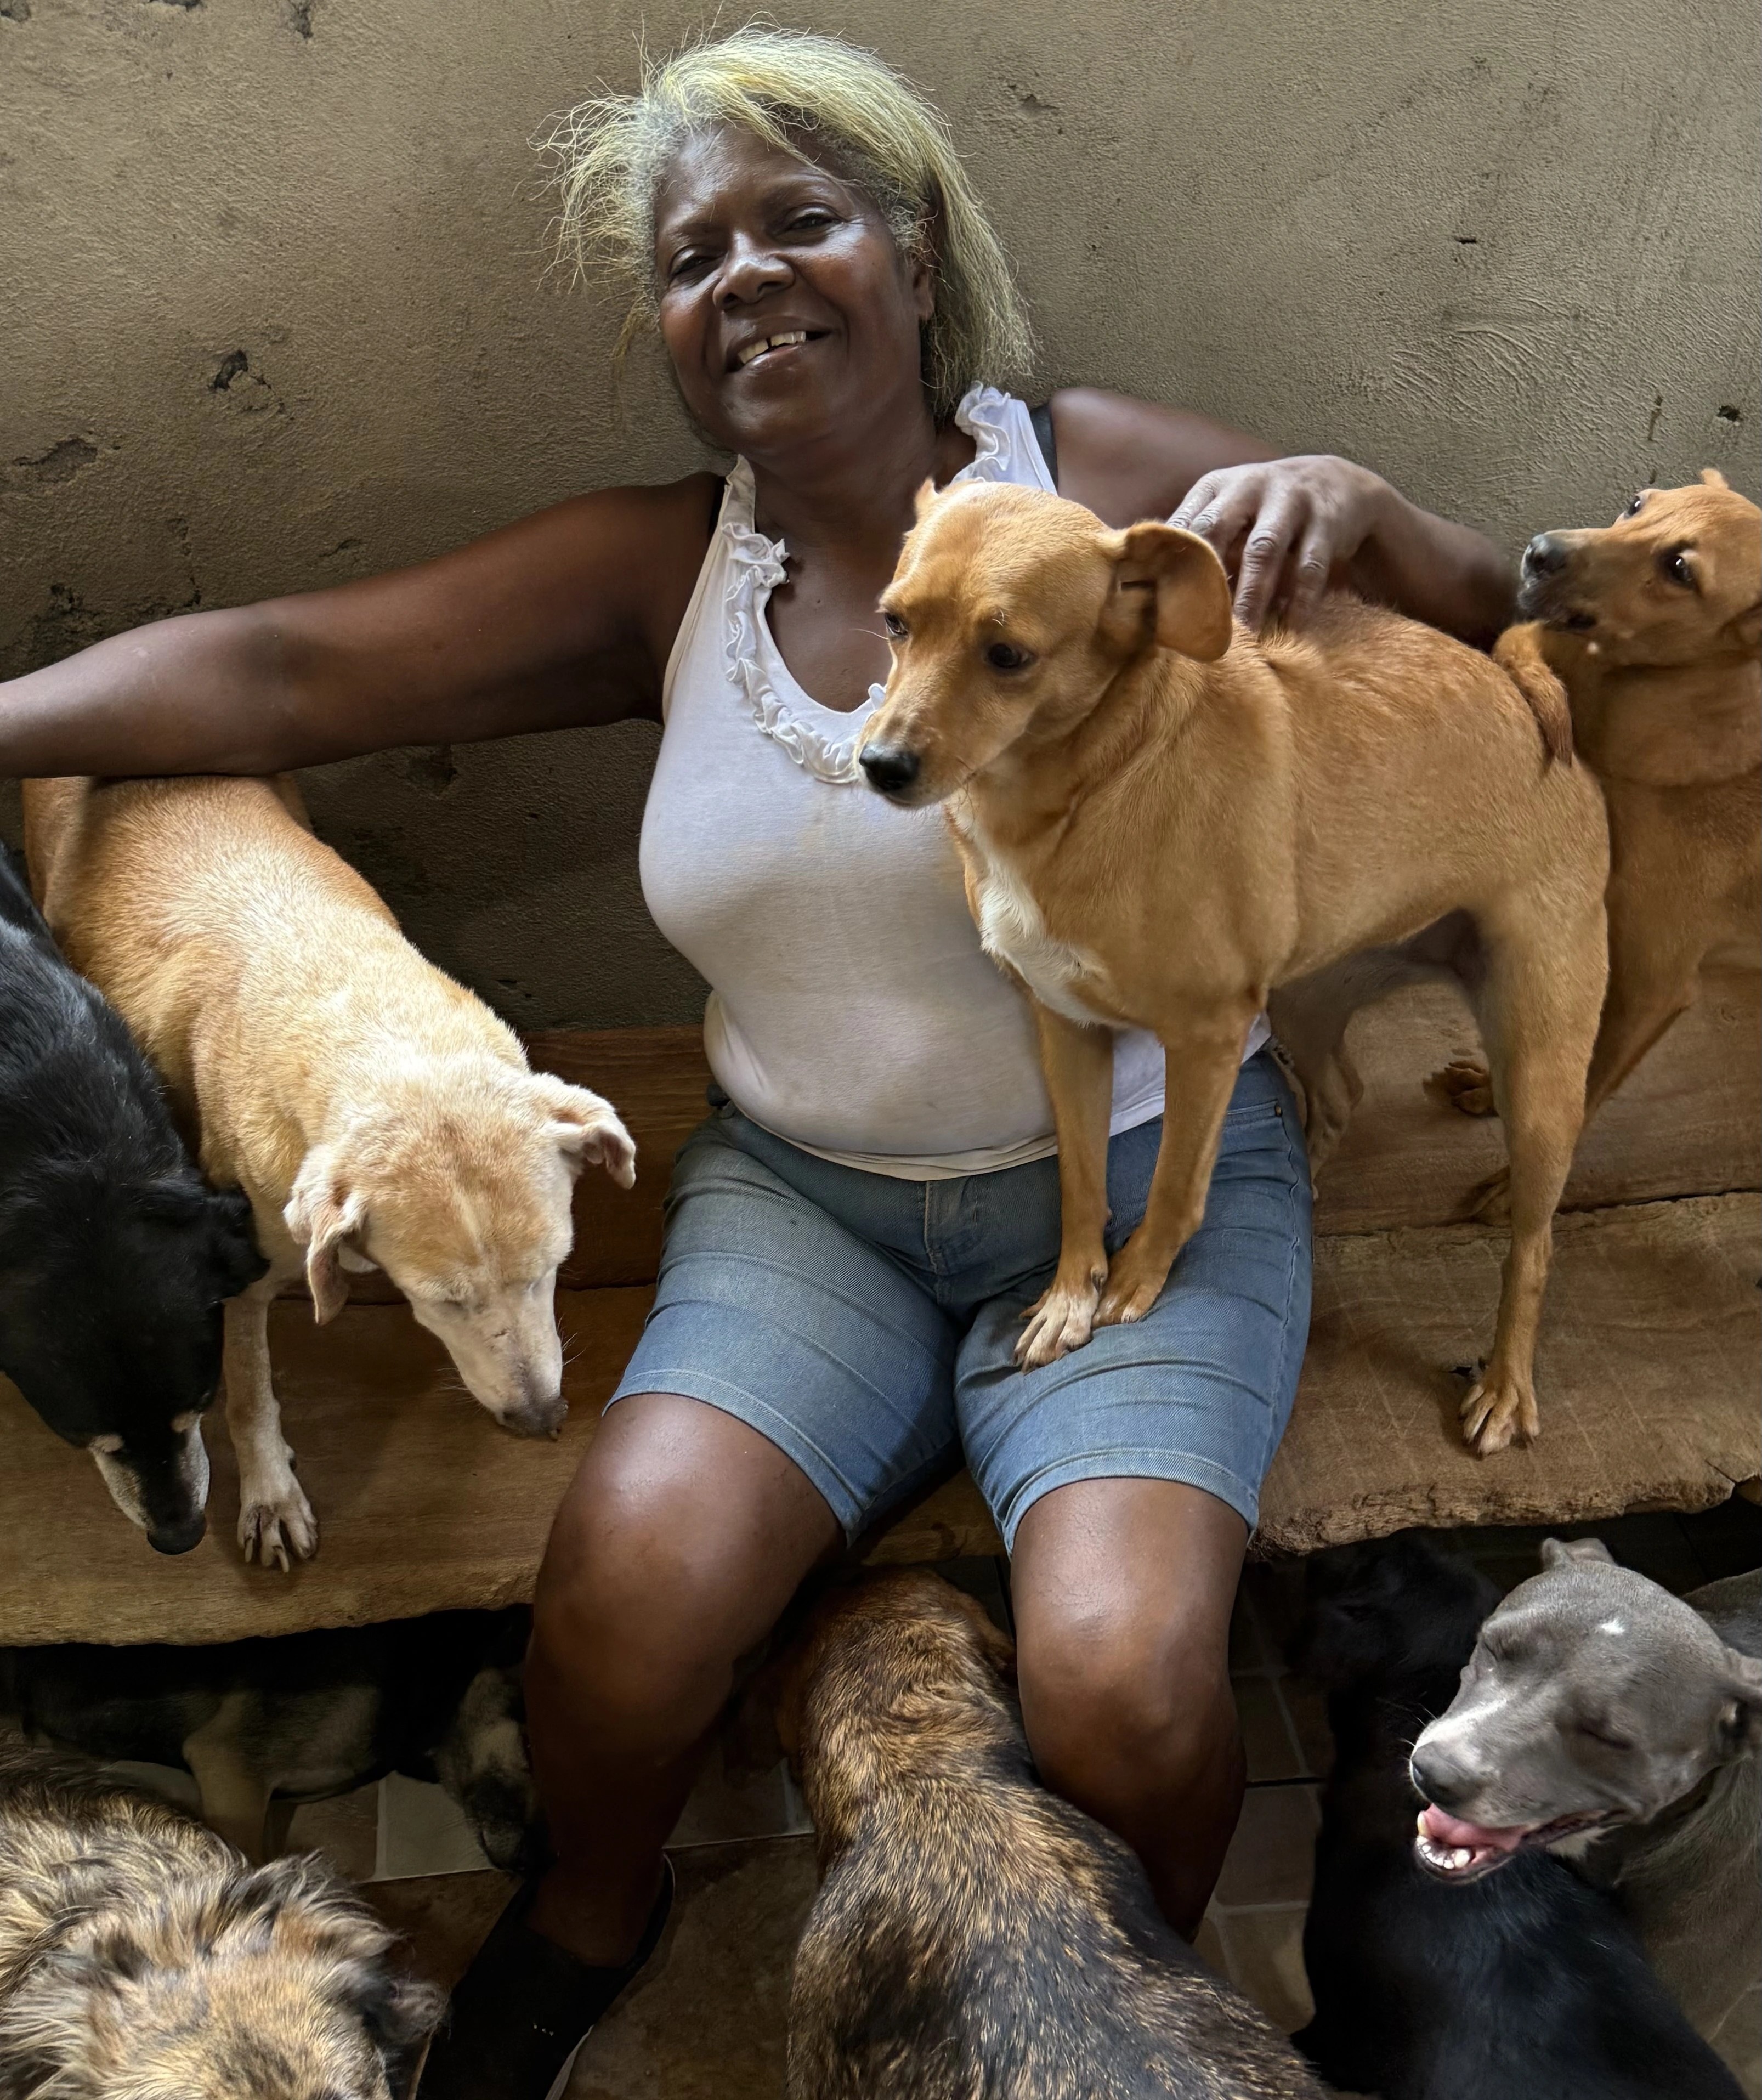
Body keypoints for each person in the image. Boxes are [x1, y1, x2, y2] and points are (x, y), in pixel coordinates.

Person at [0, 28, 1513, 2097]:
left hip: (1153, 1178)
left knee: (1130, 1691)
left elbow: (1487, 632)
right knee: (619, 1610)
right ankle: (594, 1909)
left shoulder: (1104, 475)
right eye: (692, 253)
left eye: (802, 220)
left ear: (914, 252)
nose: (747, 277)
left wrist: (1370, 501)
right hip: (809, 1198)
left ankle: (1104, 2011)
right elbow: (289, 665)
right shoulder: (666, 576)